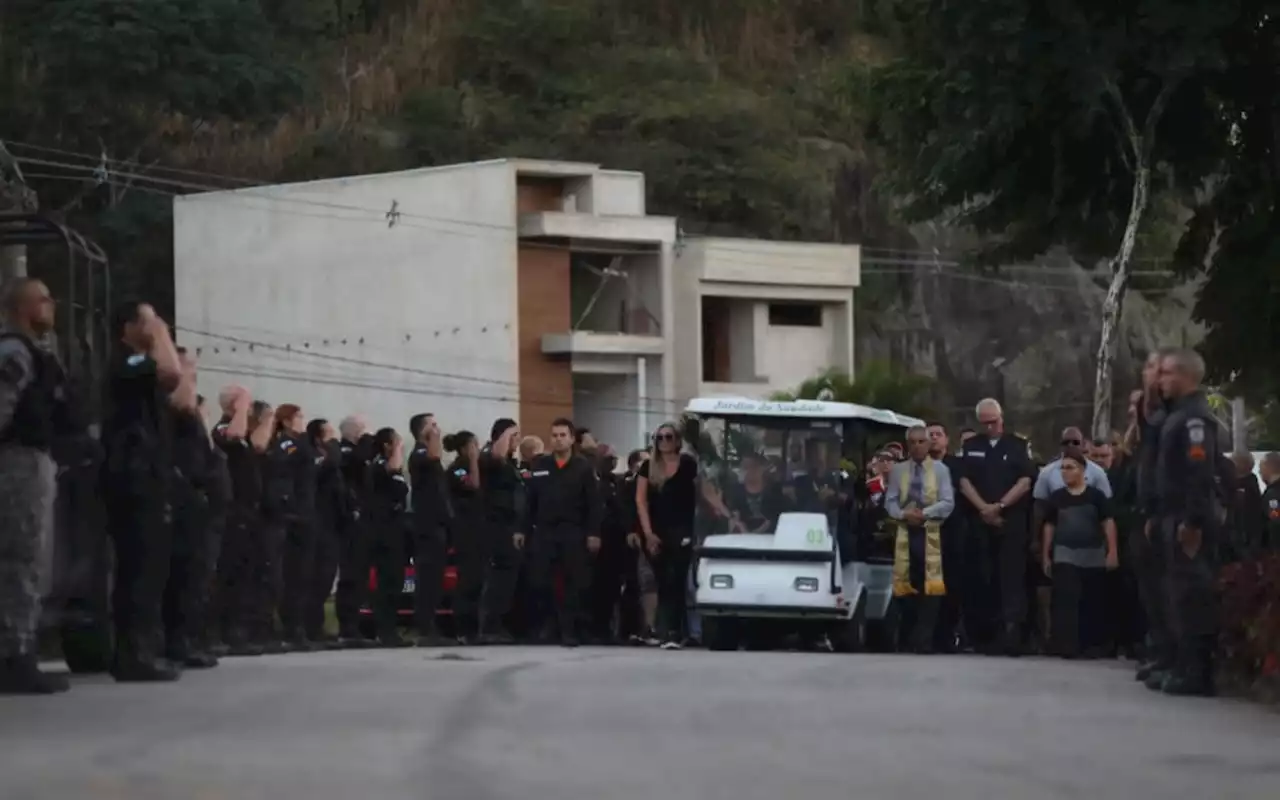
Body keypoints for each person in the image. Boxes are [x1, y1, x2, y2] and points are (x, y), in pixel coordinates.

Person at [0, 278, 78, 693]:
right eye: (46, 299)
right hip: (18, 464)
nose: (53, 306)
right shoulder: (15, 352)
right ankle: (15, 656)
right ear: (27, 307)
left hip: (29, 461)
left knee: (25, 559)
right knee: (21, 559)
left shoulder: (33, 352)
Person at [101, 300, 185, 682]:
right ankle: (133, 653)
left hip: (147, 472)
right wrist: (161, 332)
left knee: (150, 565)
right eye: (144, 322)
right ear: (128, 329)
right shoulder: (126, 362)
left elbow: (180, 397)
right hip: (132, 475)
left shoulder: (139, 366)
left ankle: (142, 649)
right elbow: (170, 372)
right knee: (139, 564)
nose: (153, 328)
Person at [1150, 348, 1220, 696]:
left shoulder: (1195, 419)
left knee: (1192, 595)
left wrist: (1192, 521)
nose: (1159, 381)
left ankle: (1197, 671)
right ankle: (1180, 664)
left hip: (1187, 519)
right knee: (1176, 594)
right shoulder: (1175, 416)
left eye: (1165, 374)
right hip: (1170, 515)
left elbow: (1199, 473)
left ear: (1184, 376)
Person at [957, 397, 1035, 656]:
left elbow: (1025, 481)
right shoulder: (971, 446)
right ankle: (984, 636)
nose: (990, 427)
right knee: (983, 577)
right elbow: (964, 481)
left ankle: (1012, 635)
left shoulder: (1017, 445)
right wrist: (983, 509)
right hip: (980, 522)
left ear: (1001, 418)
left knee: (1011, 579)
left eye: (994, 421)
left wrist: (1000, 507)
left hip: (1010, 521)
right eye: (985, 423)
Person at [161, 347, 220, 669]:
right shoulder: (173, 399)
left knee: (195, 575)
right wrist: (182, 371)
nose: (194, 373)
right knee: (180, 573)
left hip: (198, 497)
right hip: (179, 492)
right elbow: (181, 402)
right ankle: (176, 642)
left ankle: (188, 638)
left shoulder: (192, 407)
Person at [523, 418, 601, 648]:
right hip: (545, 532)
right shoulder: (541, 466)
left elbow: (594, 504)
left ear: (572, 438)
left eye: (562, 435)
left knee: (573, 583)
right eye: (554, 435)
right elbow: (530, 502)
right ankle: (547, 627)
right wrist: (522, 529)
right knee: (540, 580)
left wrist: (594, 533)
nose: (558, 439)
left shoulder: (583, 467)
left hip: (573, 532)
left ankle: (570, 631)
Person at [211, 389, 273, 656]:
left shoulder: (245, 436)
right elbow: (234, 435)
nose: (249, 409)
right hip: (234, 511)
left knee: (248, 572)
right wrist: (239, 406)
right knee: (231, 573)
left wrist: (267, 418)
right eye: (245, 404)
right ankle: (225, 630)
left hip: (249, 512)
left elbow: (258, 445)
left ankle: (242, 630)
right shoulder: (225, 428)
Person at [1040, 447, 1119, 659]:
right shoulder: (1056, 498)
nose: (1065, 472)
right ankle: (1067, 645)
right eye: (1062, 468)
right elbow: (1049, 526)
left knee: (1092, 601)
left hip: (1093, 554)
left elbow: (1108, 523)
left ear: (1082, 470)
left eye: (1070, 468)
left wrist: (1112, 551)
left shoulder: (1097, 496)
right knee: (1067, 600)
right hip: (1065, 554)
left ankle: (1092, 646)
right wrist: (1046, 554)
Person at [884, 425, 956, 654]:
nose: (917, 446)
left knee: (931, 589)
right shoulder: (898, 470)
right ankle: (907, 638)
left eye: (921, 442)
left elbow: (948, 502)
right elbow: (891, 501)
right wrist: (903, 514)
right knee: (907, 586)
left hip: (931, 531)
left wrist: (923, 514)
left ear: (928, 444)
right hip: (905, 532)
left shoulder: (941, 470)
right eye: (912, 442)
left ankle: (925, 640)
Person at [635, 422, 699, 649]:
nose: (664, 442)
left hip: (682, 529)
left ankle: (677, 632)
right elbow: (640, 500)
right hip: (656, 531)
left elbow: (704, 491)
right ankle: (665, 631)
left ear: (678, 440)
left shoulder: (688, 464)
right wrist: (648, 533)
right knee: (662, 581)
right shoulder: (647, 466)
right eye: (659, 437)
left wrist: (728, 514)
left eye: (668, 437)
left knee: (678, 580)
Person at [1133, 349, 1173, 683]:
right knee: (1153, 591)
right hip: (1150, 514)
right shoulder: (1155, 416)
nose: (1151, 375)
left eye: (1157, 370)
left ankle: (1179, 661)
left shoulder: (1177, 418)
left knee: (1173, 591)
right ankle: (1161, 654)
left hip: (1171, 515)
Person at [467, 418, 525, 644]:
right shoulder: (490, 455)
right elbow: (498, 454)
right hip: (495, 524)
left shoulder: (510, 462)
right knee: (498, 578)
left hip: (509, 526)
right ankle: (488, 627)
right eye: (515, 436)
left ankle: (498, 625)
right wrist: (507, 431)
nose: (517, 440)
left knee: (507, 579)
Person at [267, 403, 319, 651]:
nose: (302, 420)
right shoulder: (287, 444)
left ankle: (299, 628)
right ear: (286, 421)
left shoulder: (302, 445)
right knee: (291, 575)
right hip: (293, 515)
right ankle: (290, 628)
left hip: (307, 514)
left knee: (303, 575)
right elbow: (284, 471)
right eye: (298, 416)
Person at [407, 413, 450, 646]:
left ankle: (430, 625)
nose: (437, 428)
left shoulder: (429, 454)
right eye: (432, 425)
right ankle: (424, 627)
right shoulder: (420, 453)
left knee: (435, 578)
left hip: (437, 523)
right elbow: (434, 455)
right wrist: (434, 436)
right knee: (428, 577)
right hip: (426, 524)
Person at [367, 427, 411, 647]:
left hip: (396, 531)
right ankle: (384, 630)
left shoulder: (395, 470)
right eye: (398, 443)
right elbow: (391, 468)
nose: (401, 447)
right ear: (387, 445)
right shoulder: (379, 465)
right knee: (387, 582)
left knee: (396, 582)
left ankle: (390, 629)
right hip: (383, 532)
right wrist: (397, 450)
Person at [305, 418, 346, 648]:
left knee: (326, 576)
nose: (335, 439)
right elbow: (330, 463)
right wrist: (332, 447)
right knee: (316, 577)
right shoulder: (315, 456)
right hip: (318, 523)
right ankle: (310, 627)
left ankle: (317, 626)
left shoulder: (329, 456)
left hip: (332, 523)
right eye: (330, 434)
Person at [926, 421, 967, 652]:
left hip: (953, 533)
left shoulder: (958, 466)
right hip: (927, 532)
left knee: (952, 586)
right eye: (929, 435)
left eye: (938, 434)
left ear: (946, 439)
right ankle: (926, 638)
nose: (934, 438)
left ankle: (948, 636)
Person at [334, 415, 374, 647]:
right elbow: (359, 460)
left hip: (363, 522)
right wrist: (365, 440)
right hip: (349, 522)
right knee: (350, 576)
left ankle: (355, 625)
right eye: (361, 430)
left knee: (359, 576)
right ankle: (347, 627)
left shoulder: (359, 454)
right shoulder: (346, 452)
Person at [444, 430, 484, 644]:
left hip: (477, 530)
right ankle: (463, 629)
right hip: (464, 531)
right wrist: (474, 461)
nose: (477, 449)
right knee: (467, 580)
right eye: (474, 445)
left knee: (477, 579)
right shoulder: (458, 469)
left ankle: (476, 628)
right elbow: (474, 485)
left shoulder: (469, 466)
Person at [620, 449, 659, 645]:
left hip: (659, 536)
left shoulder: (659, 482)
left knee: (654, 583)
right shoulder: (629, 485)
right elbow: (627, 508)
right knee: (638, 583)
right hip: (638, 539)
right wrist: (630, 531)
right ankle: (637, 629)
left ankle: (653, 628)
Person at [1262, 452, 1280, 550]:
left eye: (1261, 469)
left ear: (1267, 468)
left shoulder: (1273, 493)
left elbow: (1275, 518)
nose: (1260, 473)